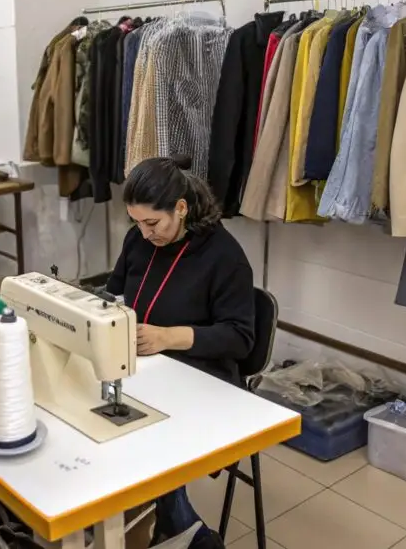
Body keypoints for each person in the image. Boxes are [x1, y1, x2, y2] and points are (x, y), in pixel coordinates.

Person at [106, 155, 256, 549]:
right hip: (148, 363)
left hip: (203, 373)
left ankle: (183, 528)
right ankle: (146, 521)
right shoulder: (139, 240)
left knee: (137, 427)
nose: (143, 232)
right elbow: (113, 292)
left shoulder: (224, 256)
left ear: (182, 208)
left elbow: (240, 338)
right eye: (135, 222)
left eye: (152, 223)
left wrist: (167, 338)